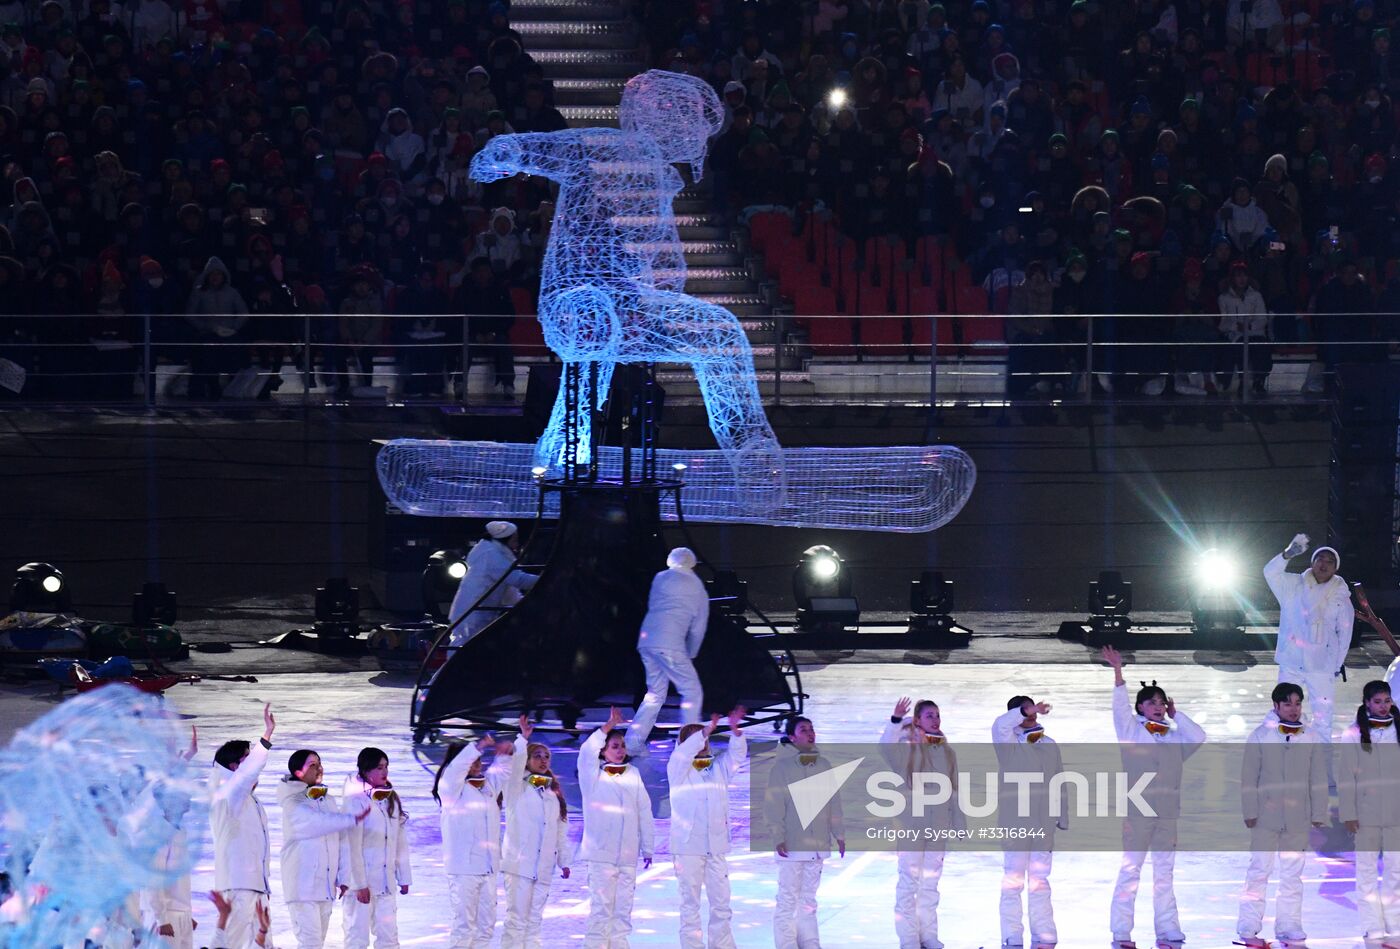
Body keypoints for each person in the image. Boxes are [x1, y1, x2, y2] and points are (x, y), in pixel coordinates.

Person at [1101, 645, 1206, 949]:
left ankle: (1168, 928)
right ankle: (1121, 931)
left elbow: (1198, 736)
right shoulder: (1131, 732)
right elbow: (1119, 708)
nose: (1158, 706)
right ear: (1141, 708)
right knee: (1131, 871)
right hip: (1138, 813)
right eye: (1152, 703)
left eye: (1162, 702)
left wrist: (1178, 715)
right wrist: (1119, 672)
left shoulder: (1175, 737)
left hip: (1167, 813)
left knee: (1164, 873)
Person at [1235, 683, 1329, 949]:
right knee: (1259, 871)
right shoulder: (1260, 735)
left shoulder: (1309, 736)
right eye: (1287, 704)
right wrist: (1250, 810)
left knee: (1292, 875)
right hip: (1266, 817)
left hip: (1298, 818)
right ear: (1276, 706)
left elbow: (1318, 777)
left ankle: (1289, 925)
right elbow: (1248, 776)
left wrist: (1319, 811)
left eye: (1297, 703)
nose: (1293, 709)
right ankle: (1249, 926)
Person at [881, 697, 959, 949]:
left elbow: (953, 788)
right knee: (909, 883)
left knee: (930, 884)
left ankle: (929, 936)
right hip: (911, 825)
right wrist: (897, 721)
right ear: (917, 720)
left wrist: (958, 821)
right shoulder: (906, 746)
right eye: (929, 716)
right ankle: (909, 940)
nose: (936, 720)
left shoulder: (946, 750)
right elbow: (885, 746)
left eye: (937, 715)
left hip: (938, 825)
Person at [666, 706, 747, 949]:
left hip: (716, 846)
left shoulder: (717, 768)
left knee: (721, 903)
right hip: (688, 847)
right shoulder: (677, 769)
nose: (700, 742)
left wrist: (735, 731)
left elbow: (736, 756)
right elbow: (682, 755)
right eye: (694, 738)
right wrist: (705, 730)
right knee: (690, 904)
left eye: (703, 737)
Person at [992, 695, 1067, 949]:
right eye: (1025, 711)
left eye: (1034, 709)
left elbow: (1060, 781)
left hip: (1043, 823)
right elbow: (1001, 724)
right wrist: (1026, 710)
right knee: (1013, 880)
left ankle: (1044, 932)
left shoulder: (1049, 743)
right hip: (1015, 823)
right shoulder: (1008, 743)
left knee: (1040, 880)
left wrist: (1062, 817)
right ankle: (1012, 935)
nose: (1032, 714)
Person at [763, 716, 844, 949]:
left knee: (809, 901)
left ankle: (810, 944)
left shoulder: (824, 765)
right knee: (788, 900)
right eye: (803, 729)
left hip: (817, 846)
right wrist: (778, 836)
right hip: (792, 845)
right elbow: (774, 805)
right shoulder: (782, 768)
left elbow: (833, 802)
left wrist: (838, 833)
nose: (810, 733)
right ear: (792, 737)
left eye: (811, 728)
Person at [276, 749, 370, 949]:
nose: (319, 768)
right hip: (302, 888)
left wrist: (343, 877)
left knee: (317, 943)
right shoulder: (293, 803)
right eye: (312, 765)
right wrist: (351, 818)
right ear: (298, 772)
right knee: (310, 944)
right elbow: (318, 823)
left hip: (325, 887)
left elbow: (341, 840)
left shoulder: (328, 801)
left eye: (319, 763)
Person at [1264, 533, 1353, 745]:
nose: (1324, 564)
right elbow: (1270, 573)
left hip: (1322, 665)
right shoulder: (1293, 585)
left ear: (1336, 568)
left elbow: (1345, 633)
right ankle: (1282, 755)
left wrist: (1336, 664)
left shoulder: (1340, 595)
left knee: (1323, 718)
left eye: (1330, 561)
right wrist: (1288, 554)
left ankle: (1320, 767)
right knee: (1283, 712)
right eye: (1320, 559)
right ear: (1312, 562)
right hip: (1292, 662)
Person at [578, 706, 655, 948]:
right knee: (601, 914)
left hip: (628, 856)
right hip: (601, 855)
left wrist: (648, 848)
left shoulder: (633, 774)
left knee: (622, 915)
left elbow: (644, 811)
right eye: (615, 746)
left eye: (622, 746)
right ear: (602, 751)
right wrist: (608, 726)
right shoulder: (591, 776)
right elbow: (586, 752)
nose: (621, 751)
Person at [626, 547, 709, 757]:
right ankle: (689, 745)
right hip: (670, 645)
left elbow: (653, 605)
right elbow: (698, 627)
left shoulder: (660, 577)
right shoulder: (697, 586)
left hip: (647, 640)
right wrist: (691, 653)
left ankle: (632, 743)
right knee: (691, 691)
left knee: (654, 694)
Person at [435, 734, 514, 949]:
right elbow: (455, 769)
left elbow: (502, 770)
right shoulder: (451, 790)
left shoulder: (487, 787)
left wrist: (507, 752)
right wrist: (478, 746)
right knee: (464, 927)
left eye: (479, 760)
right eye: (473, 759)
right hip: (464, 870)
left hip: (488, 868)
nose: (478, 763)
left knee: (486, 926)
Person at [501, 714, 571, 949]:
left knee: (534, 922)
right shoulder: (515, 788)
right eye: (537, 756)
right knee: (516, 921)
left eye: (546, 757)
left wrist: (564, 860)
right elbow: (514, 764)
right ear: (527, 759)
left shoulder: (553, 794)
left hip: (542, 868)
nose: (543, 760)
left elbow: (560, 829)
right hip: (519, 866)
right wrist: (522, 738)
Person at [1338, 680, 1400, 944]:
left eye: (1387, 701)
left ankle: (1394, 923)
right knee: (1366, 873)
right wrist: (1349, 813)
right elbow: (1345, 777)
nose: (1383, 706)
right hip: (1366, 816)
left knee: (1396, 872)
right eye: (1377, 702)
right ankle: (1371, 926)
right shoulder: (1353, 734)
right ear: (1366, 703)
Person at [211, 703, 277, 949]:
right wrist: (266, 737)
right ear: (234, 767)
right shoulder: (228, 793)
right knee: (233, 944)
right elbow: (250, 772)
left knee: (264, 944)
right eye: (246, 759)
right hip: (239, 886)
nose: (252, 766)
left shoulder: (247, 798)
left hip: (256, 886)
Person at [342, 748, 411, 949]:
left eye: (386, 767)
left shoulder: (390, 799)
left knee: (389, 939)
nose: (384, 772)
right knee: (357, 938)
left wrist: (403, 876)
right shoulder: (355, 801)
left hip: (385, 883)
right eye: (379, 767)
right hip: (362, 887)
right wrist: (359, 884)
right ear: (366, 770)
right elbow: (351, 846)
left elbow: (399, 841)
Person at [447, 520, 539, 646]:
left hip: (477, 614)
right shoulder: (491, 555)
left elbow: (509, 593)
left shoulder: (492, 554)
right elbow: (517, 580)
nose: (516, 545)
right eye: (514, 540)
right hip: (473, 615)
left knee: (468, 647)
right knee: (465, 647)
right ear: (504, 539)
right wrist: (546, 578)